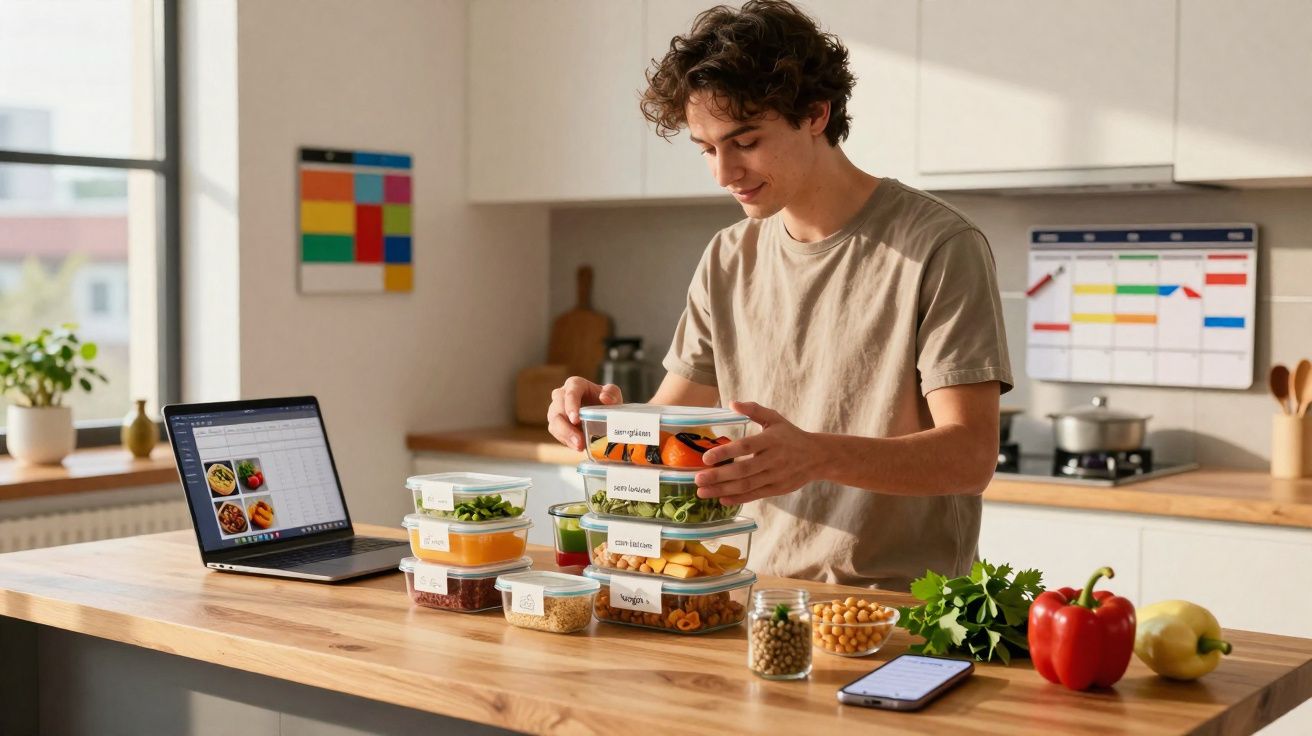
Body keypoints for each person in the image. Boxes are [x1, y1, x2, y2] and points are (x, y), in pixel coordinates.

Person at [546, 0, 1012, 591]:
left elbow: (970, 458)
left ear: (815, 114)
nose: (724, 173)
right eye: (707, 149)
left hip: (898, 611)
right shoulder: (728, 255)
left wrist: (815, 455)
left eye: (745, 140)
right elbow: (679, 420)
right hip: (748, 594)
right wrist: (604, 420)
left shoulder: (939, 245)